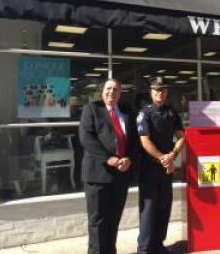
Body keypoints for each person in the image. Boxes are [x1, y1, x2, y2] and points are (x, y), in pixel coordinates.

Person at [79, 79, 139, 254]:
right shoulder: (91, 109)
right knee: (98, 221)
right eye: (108, 88)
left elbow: (134, 140)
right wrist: (108, 159)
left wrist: (129, 158)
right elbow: (87, 139)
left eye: (116, 89)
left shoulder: (127, 112)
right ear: (102, 91)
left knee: (113, 219)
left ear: (120, 93)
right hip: (98, 174)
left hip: (120, 175)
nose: (112, 92)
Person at [136, 77, 185, 254]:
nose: (159, 93)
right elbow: (145, 140)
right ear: (151, 92)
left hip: (167, 167)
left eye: (163, 90)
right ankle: (145, 249)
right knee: (149, 208)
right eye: (156, 90)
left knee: (164, 206)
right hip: (150, 167)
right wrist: (162, 158)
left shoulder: (172, 112)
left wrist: (172, 155)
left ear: (167, 92)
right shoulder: (145, 113)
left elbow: (181, 137)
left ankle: (158, 245)